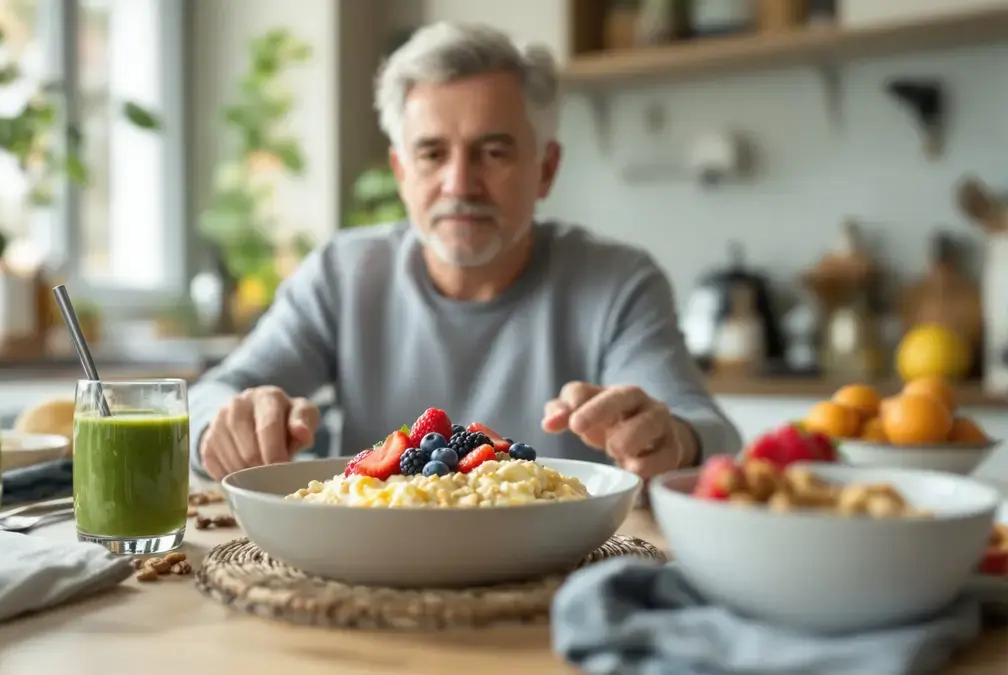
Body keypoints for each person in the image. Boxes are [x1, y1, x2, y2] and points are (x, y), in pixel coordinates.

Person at [189, 22, 741, 481]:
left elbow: (707, 430)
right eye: (431, 153)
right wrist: (224, 425)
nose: (460, 184)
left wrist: (674, 440)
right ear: (401, 172)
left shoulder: (618, 281)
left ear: (546, 170)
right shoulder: (343, 274)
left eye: (493, 151)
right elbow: (214, 394)